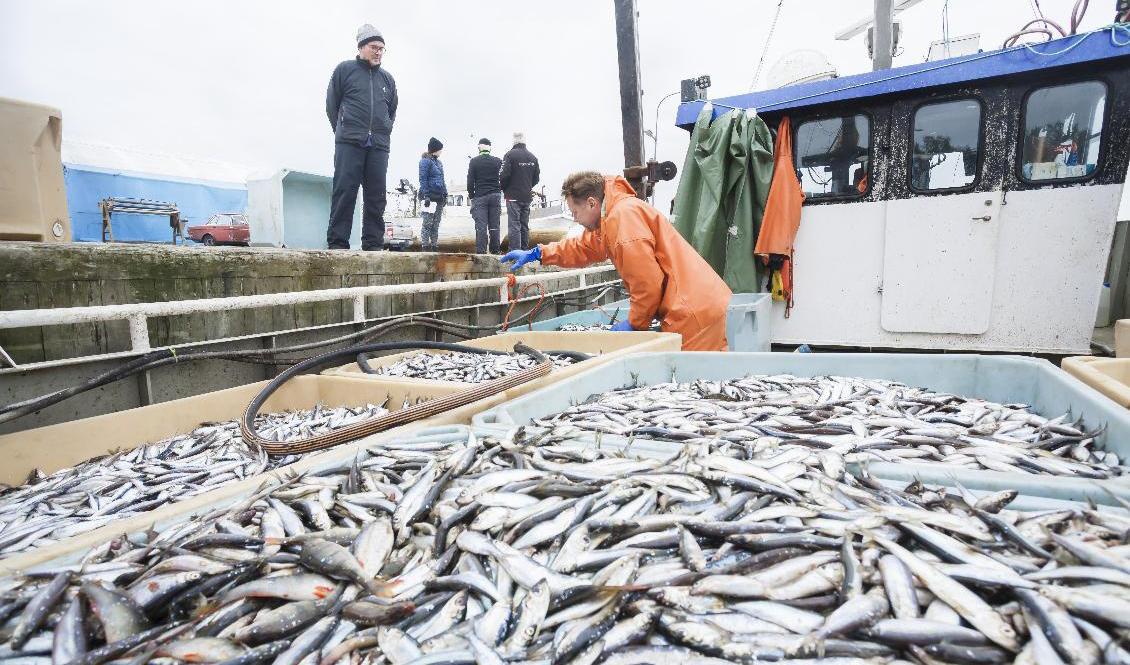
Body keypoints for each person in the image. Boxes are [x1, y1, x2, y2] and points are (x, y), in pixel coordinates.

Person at [502, 171, 733, 351]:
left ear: (592, 203)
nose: (575, 219)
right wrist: (538, 254)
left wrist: (634, 323)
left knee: (694, 391)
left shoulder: (623, 219)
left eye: (575, 212)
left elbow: (648, 284)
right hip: (692, 305)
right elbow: (582, 247)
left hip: (692, 312)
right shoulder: (612, 216)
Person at [325, 24, 398, 250]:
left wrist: (383, 130)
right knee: (345, 191)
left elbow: (391, 112)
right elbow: (332, 106)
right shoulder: (344, 70)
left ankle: (373, 245)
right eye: (374, 47)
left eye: (382, 49)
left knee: (376, 197)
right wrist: (344, 130)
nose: (378, 52)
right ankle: (338, 243)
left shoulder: (388, 80)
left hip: (378, 146)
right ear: (361, 47)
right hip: (349, 141)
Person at [500, 132, 540, 250]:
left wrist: (505, 188)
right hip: (526, 196)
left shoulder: (509, 155)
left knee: (514, 225)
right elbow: (536, 178)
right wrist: (527, 186)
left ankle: (515, 252)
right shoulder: (533, 157)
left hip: (512, 196)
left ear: (514, 141)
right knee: (524, 225)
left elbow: (503, 176)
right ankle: (524, 250)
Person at [466, 138, 503, 254]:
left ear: (479, 148)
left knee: (481, 226)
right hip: (495, 195)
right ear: (490, 148)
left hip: (480, 196)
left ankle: (481, 253)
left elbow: (470, 181)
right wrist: (499, 190)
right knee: (494, 225)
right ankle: (495, 251)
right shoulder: (498, 161)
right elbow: (503, 177)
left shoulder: (474, 161)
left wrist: (472, 196)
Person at [418, 137, 447, 252]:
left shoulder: (439, 163)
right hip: (429, 197)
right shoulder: (425, 161)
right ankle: (425, 246)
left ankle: (434, 245)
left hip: (439, 197)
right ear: (435, 149)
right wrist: (426, 196)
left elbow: (442, 179)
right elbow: (423, 179)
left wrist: (445, 194)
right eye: (440, 149)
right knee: (427, 223)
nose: (441, 151)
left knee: (436, 223)